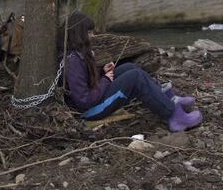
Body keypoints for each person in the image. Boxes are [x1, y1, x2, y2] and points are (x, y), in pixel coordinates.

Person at [57, 12, 203, 132]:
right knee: (135, 77)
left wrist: (102, 72)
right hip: (91, 111)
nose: (93, 35)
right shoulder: (73, 61)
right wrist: (106, 80)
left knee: (128, 67)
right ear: (78, 34)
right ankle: (174, 116)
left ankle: (168, 98)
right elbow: (84, 101)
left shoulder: (78, 53)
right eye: (89, 32)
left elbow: (86, 80)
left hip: (95, 97)